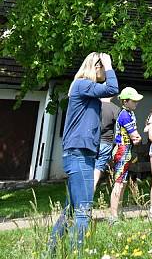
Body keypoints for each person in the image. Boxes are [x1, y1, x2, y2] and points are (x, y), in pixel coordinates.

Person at [49, 52, 119, 253]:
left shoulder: (86, 90)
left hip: (82, 154)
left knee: (71, 209)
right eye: (103, 67)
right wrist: (108, 64)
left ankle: (51, 251)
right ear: (96, 67)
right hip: (78, 154)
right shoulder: (82, 84)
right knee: (83, 211)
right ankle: (77, 253)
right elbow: (113, 88)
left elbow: (107, 93)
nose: (106, 71)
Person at [109, 87, 143, 223]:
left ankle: (118, 211)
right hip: (122, 150)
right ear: (125, 101)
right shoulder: (124, 115)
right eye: (133, 100)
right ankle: (113, 216)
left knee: (122, 182)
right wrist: (137, 138)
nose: (136, 102)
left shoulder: (129, 113)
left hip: (126, 150)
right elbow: (135, 136)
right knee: (118, 183)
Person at [94, 97, 120, 190]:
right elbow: (120, 128)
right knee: (97, 171)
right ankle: (87, 201)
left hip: (90, 142)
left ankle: (75, 201)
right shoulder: (115, 109)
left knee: (85, 170)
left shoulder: (93, 106)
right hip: (105, 142)